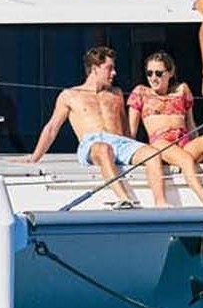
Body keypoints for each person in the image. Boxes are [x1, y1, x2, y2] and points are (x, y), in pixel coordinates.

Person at [20, 46, 169, 208]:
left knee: (153, 153)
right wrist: (35, 157)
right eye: (109, 68)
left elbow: (124, 127)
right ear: (94, 69)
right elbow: (52, 128)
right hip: (93, 144)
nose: (114, 73)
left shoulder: (116, 93)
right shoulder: (70, 95)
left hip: (121, 143)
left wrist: (134, 147)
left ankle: (161, 202)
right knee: (104, 149)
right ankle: (124, 199)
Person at [127, 51, 203, 206]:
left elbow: (191, 124)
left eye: (159, 73)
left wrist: (197, 142)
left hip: (183, 142)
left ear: (170, 72)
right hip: (161, 143)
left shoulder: (182, 90)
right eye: (149, 73)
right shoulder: (141, 92)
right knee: (185, 159)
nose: (153, 78)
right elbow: (132, 130)